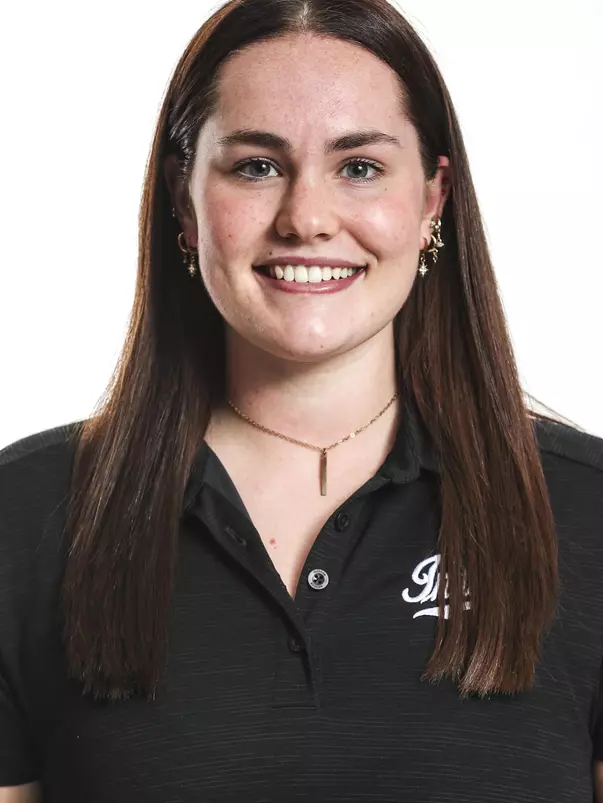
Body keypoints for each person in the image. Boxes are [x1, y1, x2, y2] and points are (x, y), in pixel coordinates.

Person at [1, 0, 602, 800]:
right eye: (256, 166)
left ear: (433, 198)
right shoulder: (23, 516)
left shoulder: (589, 510)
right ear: (183, 199)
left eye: (359, 167)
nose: (306, 219)